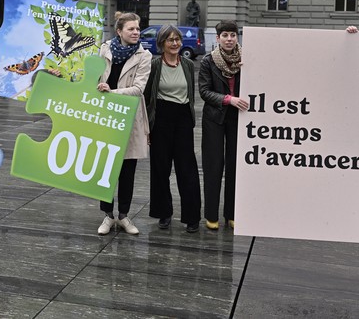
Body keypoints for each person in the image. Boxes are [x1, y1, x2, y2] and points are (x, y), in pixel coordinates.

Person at [96, 12, 152, 235]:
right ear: (119, 31)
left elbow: (139, 89)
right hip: (105, 116)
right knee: (106, 169)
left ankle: (124, 216)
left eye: (138, 29)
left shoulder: (144, 55)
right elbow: (93, 77)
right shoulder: (104, 50)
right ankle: (107, 216)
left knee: (127, 170)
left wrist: (112, 91)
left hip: (129, 117)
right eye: (131, 29)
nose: (136, 32)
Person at [144, 24, 201, 233]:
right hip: (161, 118)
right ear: (162, 43)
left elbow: (192, 93)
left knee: (187, 168)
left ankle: (192, 216)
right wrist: (147, 127)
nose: (175, 43)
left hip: (183, 117)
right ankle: (163, 213)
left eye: (177, 39)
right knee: (160, 168)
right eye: (170, 40)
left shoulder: (187, 64)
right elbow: (147, 95)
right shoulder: (154, 65)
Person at [198, 20, 249, 231]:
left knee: (236, 167)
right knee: (213, 166)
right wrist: (229, 99)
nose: (229, 39)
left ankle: (232, 213)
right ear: (218, 38)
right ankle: (211, 215)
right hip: (214, 119)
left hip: (239, 119)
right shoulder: (208, 61)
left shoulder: (247, 59)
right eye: (225, 35)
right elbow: (204, 91)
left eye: (233, 35)